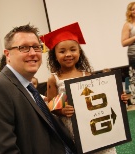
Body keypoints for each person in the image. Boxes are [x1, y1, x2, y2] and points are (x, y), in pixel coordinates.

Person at [0, 24, 77, 154]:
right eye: (24, 48)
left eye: (36, 47)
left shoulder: (28, 88)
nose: (33, 53)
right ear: (7, 54)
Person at [40, 22, 129, 154]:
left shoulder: (87, 75)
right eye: (62, 51)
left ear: (79, 52)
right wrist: (62, 111)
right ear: (54, 55)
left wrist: (119, 99)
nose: (68, 54)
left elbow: (101, 99)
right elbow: (51, 107)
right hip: (72, 129)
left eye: (73, 49)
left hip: (94, 126)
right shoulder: (54, 79)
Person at [121, 2, 135, 104]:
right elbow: (123, 42)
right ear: (129, 12)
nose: (134, 11)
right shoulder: (128, 24)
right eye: (133, 9)